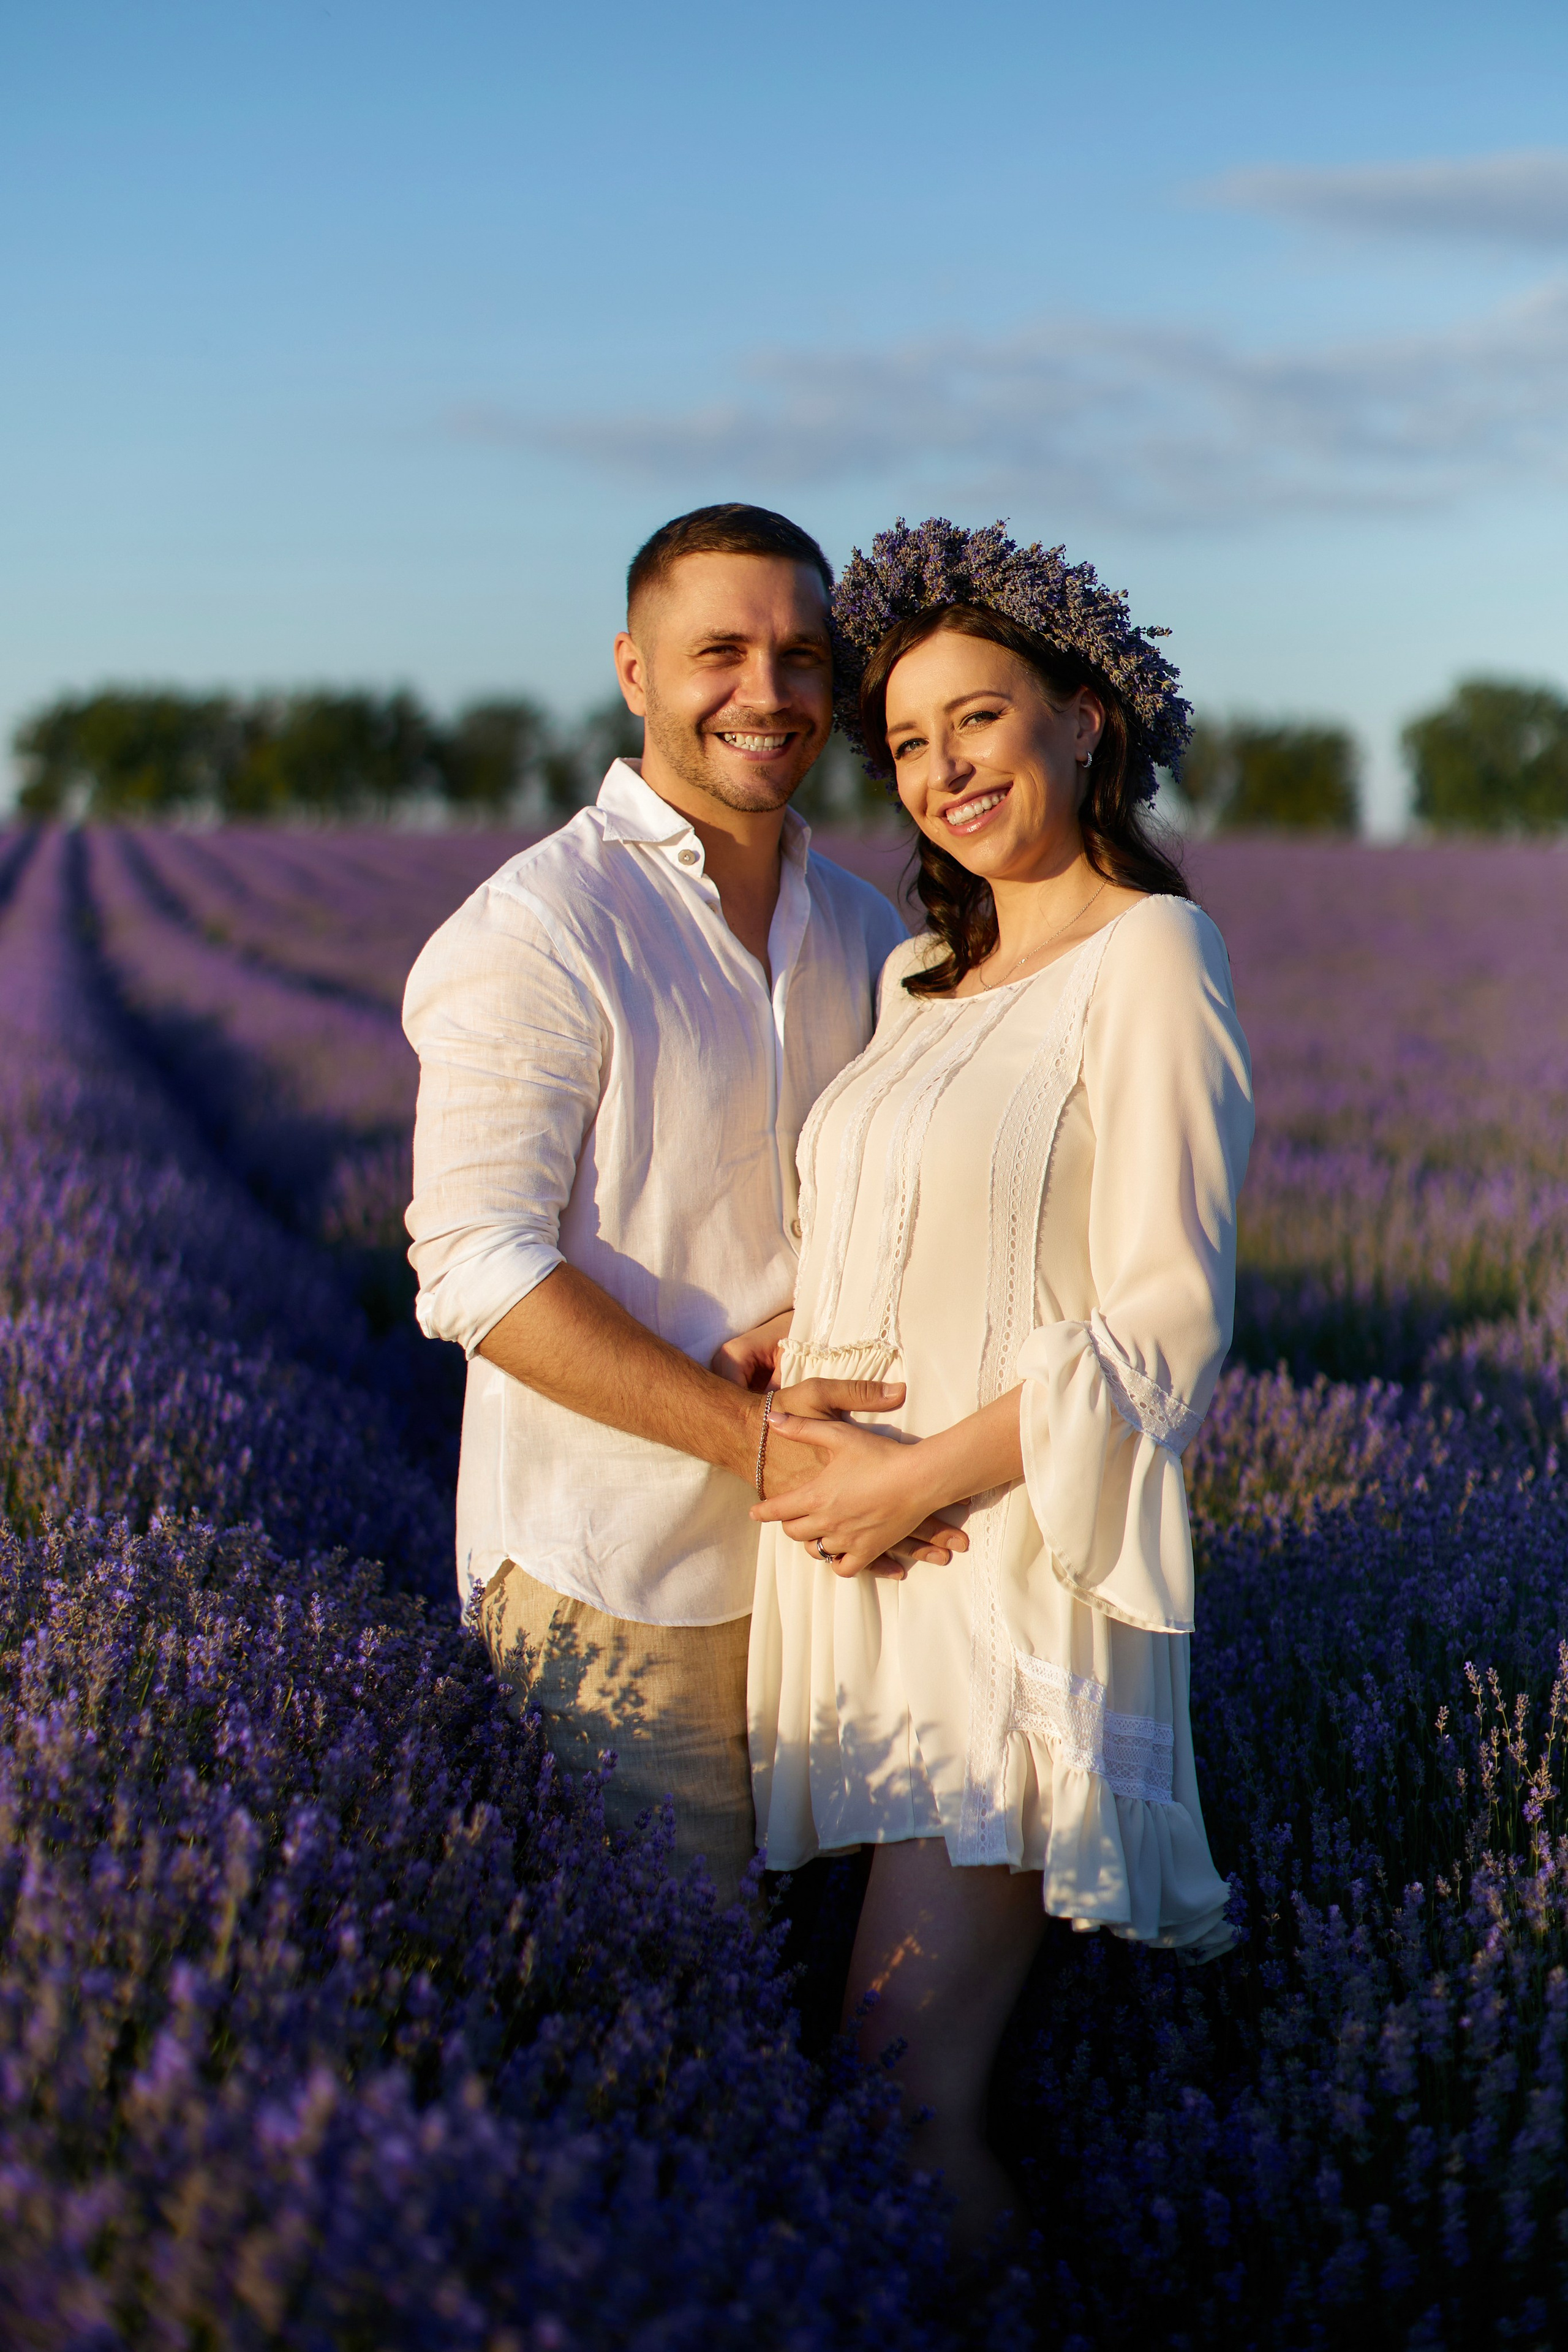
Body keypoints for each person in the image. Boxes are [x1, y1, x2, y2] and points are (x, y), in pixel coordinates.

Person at [735, 518, 1254, 2244]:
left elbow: (1163, 1324)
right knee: (868, 2071)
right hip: (867, 1572)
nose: (942, 768)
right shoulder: (915, 974)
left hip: (997, 1571)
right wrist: (786, 1342)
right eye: (906, 742)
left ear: (1084, 719)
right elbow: (916, 1226)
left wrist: (914, 1477)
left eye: (978, 718)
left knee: (897, 2081)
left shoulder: (1152, 962)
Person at [401, 503, 960, 1907]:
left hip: (843, 1573)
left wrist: (812, 1313)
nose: (764, 693)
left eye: (801, 658)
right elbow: (472, 1262)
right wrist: (751, 1444)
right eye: (719, 650)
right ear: (633, 670)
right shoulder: (540, 927)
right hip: (621, 1583)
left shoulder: (862, 934)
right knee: (676, 2017)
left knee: (836, 2008)